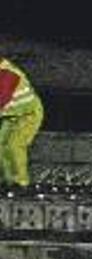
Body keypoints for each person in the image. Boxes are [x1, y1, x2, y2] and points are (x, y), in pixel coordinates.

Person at [0, 57, 43, 187]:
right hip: (11, 116)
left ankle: (21, 183)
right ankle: (7, 180)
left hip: (28, 115)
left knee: (15, 145)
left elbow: (2, 99)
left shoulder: (9, 74)